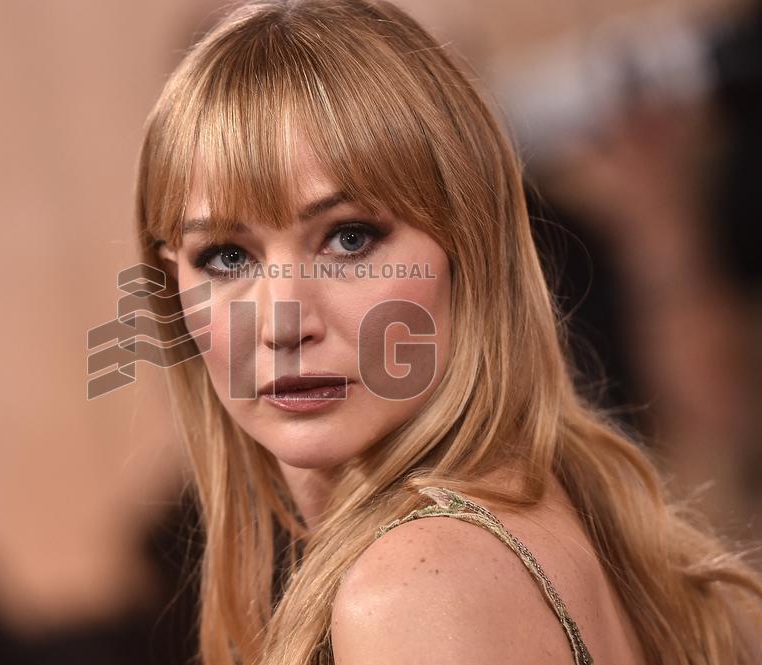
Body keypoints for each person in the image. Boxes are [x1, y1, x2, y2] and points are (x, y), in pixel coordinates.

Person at [134, 1, 762, 664]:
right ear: (171, 281)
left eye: (350, 238)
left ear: (469, 248)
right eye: (227, 256)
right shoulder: (554, 508)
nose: (284, 321)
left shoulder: (412, 587)